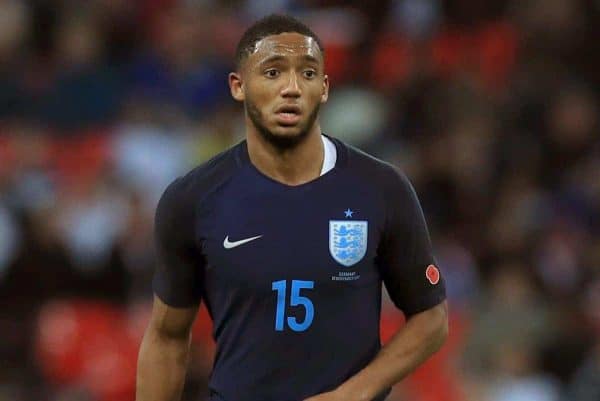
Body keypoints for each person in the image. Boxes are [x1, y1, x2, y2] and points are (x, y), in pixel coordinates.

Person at [136, 14, 448, 401]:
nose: (292, 88)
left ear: (325, 89)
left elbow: (431, 318)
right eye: (272, 72)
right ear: (238, 86)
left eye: (308, 73)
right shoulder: (193, 199)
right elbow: (167, 337)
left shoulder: (381, 188)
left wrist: (353, 393)